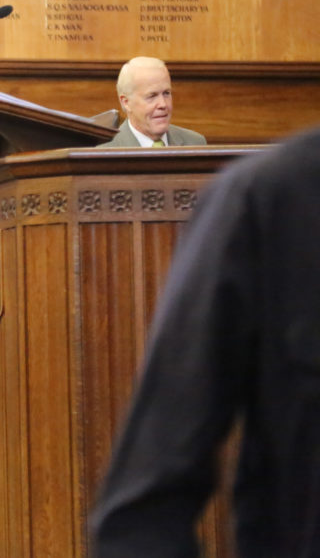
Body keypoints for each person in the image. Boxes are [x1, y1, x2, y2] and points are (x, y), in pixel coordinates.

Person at [90, 126, 320, 557]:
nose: (161, 103)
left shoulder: (192, 142)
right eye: (151, 94)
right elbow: (141, 519)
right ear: (126, 104)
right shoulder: (273, 198)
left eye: (165, 93)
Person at [98, 56, 206, 147]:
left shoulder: (195, 143)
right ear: (126, 102)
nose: (163, 104)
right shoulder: (105, 151)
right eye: (152, 96)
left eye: (166, 93)